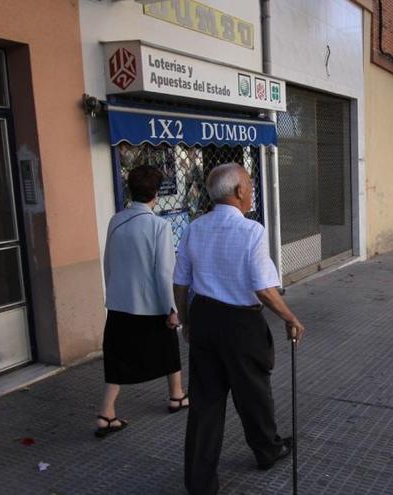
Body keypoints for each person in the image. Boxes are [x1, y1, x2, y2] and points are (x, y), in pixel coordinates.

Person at [174, 162, 306, 495]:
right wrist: (290, 317)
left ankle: (199, 484)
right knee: (253, 394)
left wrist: (188, 321)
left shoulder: (194, 227)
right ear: (239, 192)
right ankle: (267, 450)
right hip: (240, 324)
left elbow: (180, 281)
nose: (251, 191)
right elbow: (263, 288)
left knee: (205, 403)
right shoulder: (251, 231)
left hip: (204, 318)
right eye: (248, 185)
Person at [95, 165, 188, 438]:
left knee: (117, 357)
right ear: (156, 194)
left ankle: (106, 411)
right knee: (168, 348)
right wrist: (172, 308)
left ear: (130, 191)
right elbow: (163, 271)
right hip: (150, 304)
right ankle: (176, 395)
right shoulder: (159, 226)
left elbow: (108, 261)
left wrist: (111, 292)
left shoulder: (116, 220)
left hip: (119, 302)